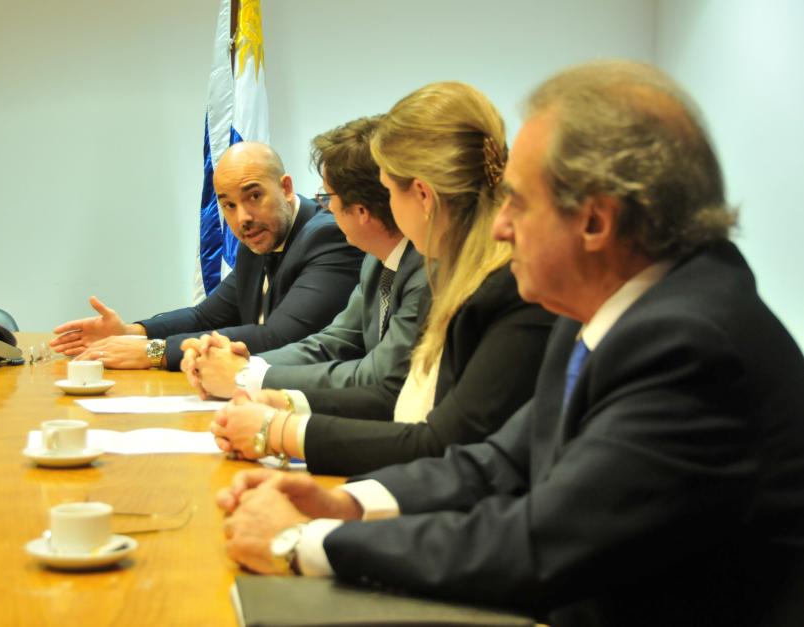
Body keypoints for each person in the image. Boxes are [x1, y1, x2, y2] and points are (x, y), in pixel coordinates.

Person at [216, 61, 804, 627]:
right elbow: (500, 460)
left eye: (519, 202)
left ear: (595, 223)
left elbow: (538, 543)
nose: (499, 225)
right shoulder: (601, 308)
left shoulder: (690, 346)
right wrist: (348, 506)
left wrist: (303, 542)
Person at [210, 82, 553, 476]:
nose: (382, 207)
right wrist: (288, 404)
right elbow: (406, 401)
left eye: (387, 191)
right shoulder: (453, 269)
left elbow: (438, 440)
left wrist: (284, 428)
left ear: (422, 196)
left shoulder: (496, 286)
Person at [48, 142, 364, 371]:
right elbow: (207, 316)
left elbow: (279, 336)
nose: (242, 218)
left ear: (285, 188)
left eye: (254, 196)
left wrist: (155, 351)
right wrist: (132, 332)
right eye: (228, 205)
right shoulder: (259, 237)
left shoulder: (329, 236)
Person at [182, 116, 428, 399]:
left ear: (361, 210)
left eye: (328, 196)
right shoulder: (376, 261)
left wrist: (247, 377)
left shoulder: (425, 271)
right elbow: (333, 342)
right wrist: (243, 366)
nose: (326, 206)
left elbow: (377, 375)